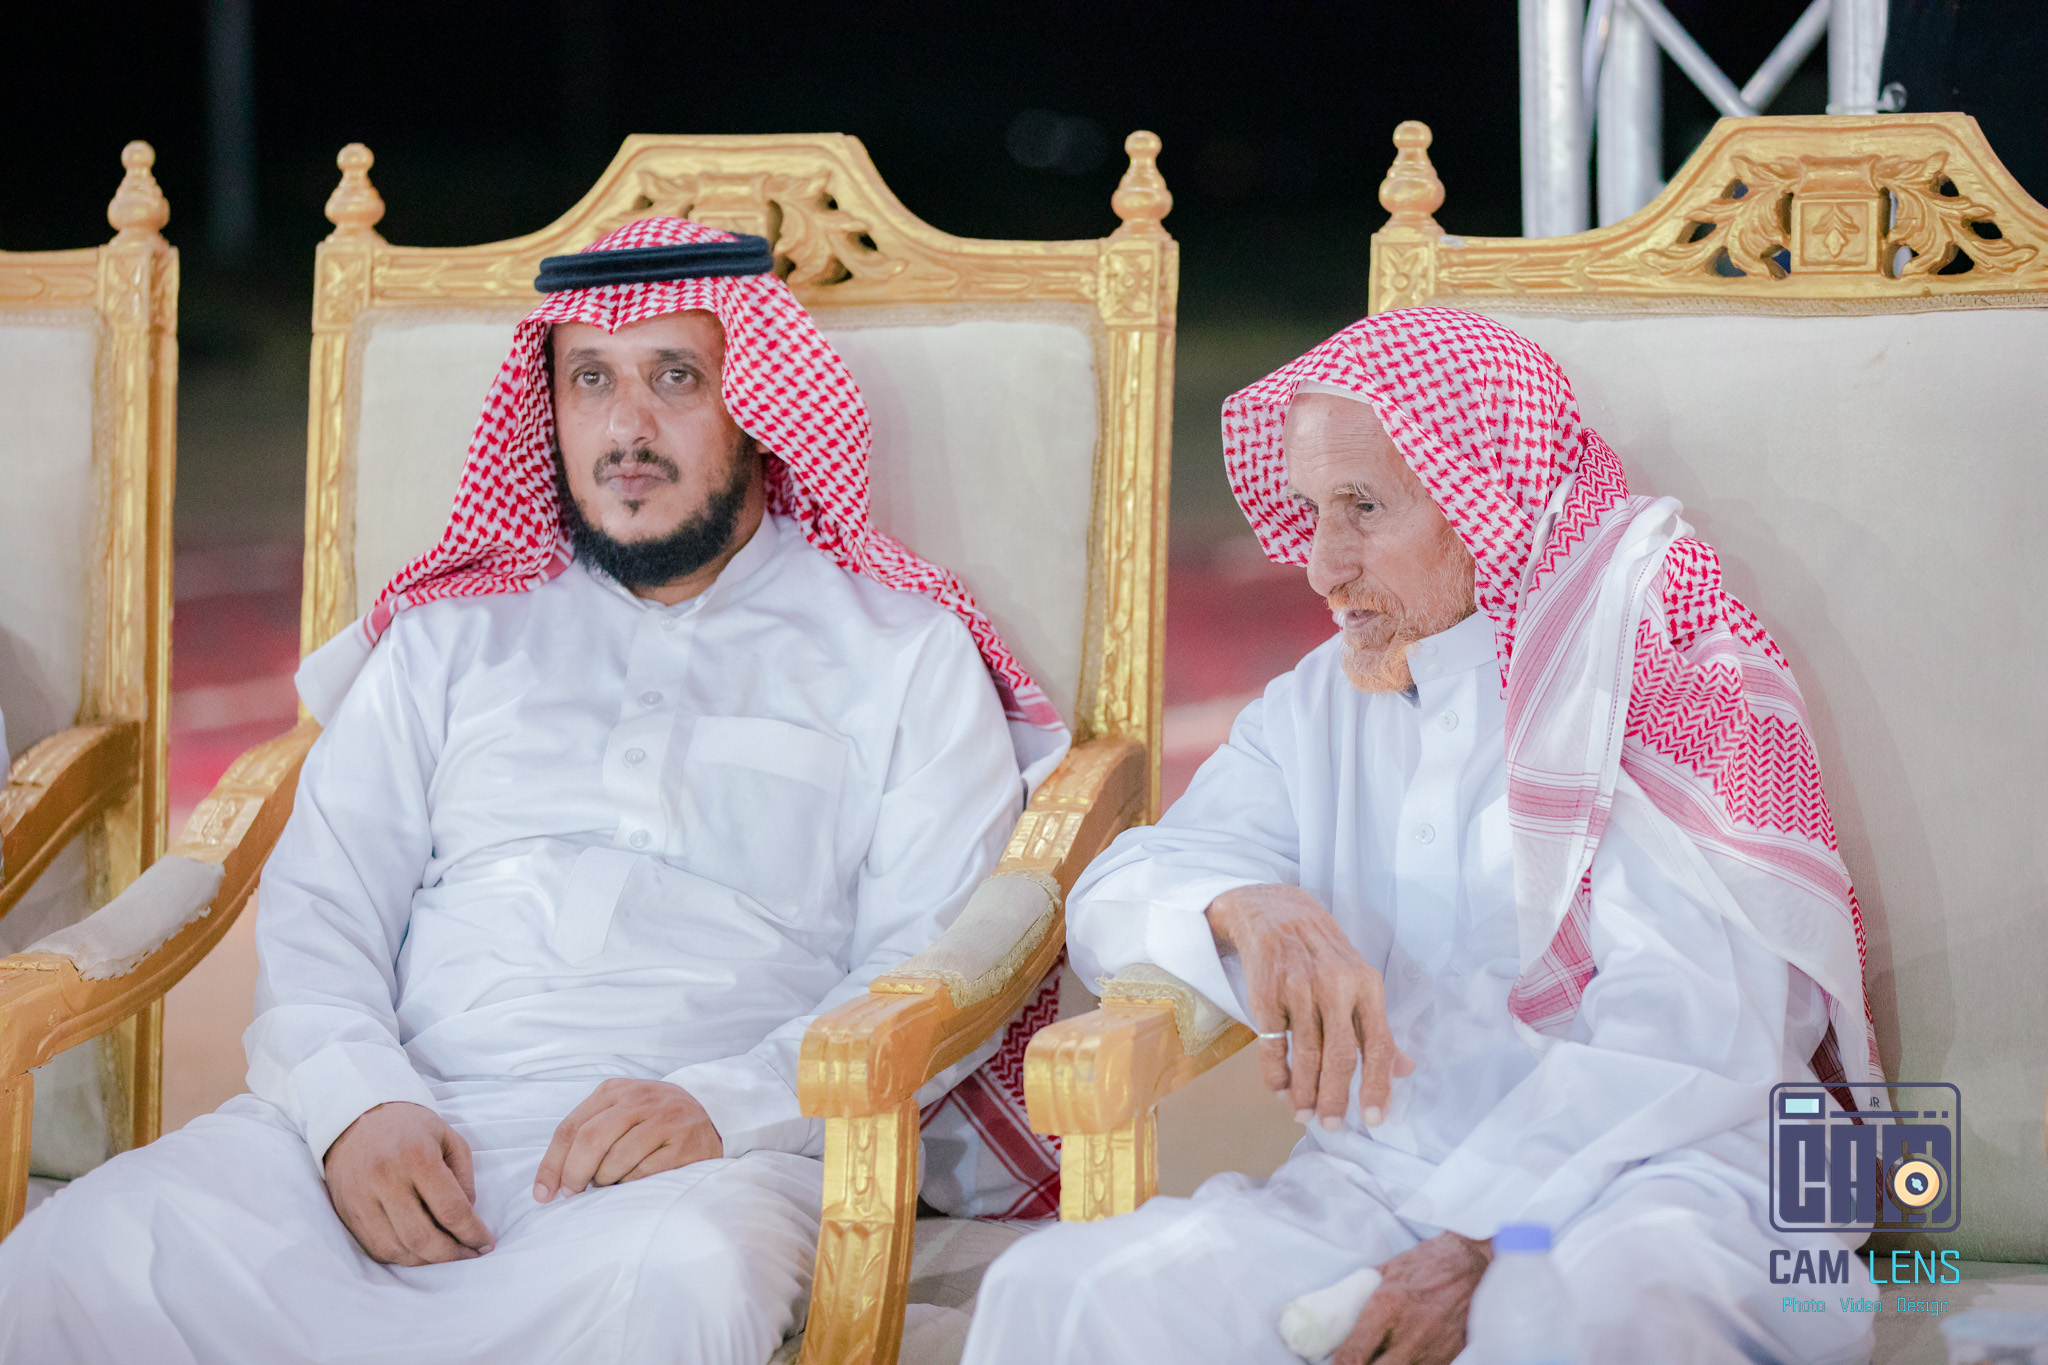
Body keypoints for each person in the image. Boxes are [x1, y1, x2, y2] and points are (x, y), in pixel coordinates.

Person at [0, 217, 1068, 1365]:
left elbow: (929, 959)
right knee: (85, 1254)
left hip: (694, 1161)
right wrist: (356, 1103)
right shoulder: (450, 634)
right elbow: (323, 907)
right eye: (590, 380)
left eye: (675, 377)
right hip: (403, 1116)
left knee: (684, 1285)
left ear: (758, 404)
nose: (626, 428)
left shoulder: (901, 652)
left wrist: (725, 1105)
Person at [962, 308, 1877, 1365]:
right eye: (1310, 510)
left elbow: (1694, 1041)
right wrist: (1247, 906)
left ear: (1488, 502)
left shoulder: (1660, 674)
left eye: (1363, 507)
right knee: (1062, 1298)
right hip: (1379, 1188)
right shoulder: (1322, 702)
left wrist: (1487, 1240)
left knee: (1585, 1324)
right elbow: (1120, 890)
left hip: (1660, 1186)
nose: (1320, 566)